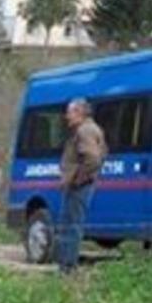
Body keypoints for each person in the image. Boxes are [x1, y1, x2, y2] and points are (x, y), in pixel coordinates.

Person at [57, 98, 107, 275]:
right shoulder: (91, 129)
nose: (66, 116)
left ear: (79, 112)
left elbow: (92, 159)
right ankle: (66, 266)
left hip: (79, 186)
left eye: (69, 112)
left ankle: (67, 268)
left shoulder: (85, 130)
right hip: (81, 184)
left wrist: (77, 179)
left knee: (70, 225)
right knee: (70, 224)